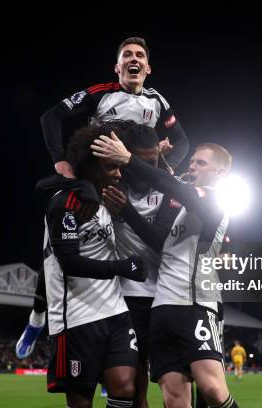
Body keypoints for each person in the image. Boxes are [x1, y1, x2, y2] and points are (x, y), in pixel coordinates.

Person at [92, 131, 238, 408]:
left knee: (213, 390)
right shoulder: (182, 205)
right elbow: (159, 241)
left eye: (201, 163)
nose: (192, 166)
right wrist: (126, 211)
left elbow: (169, 184)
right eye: (192, 161)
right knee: (173, 398)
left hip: (195, 302)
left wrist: (128, 159)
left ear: (220, 173)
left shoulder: (216, 201)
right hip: (162, 306)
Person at [40, 123, 148, 408]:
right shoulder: (64, 202)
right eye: (111, 167)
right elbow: (69, 263)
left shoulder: (104, 199)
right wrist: (123, 268)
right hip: (76, 315)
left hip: (116, 311)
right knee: (81, 401)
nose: (118, 173)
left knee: (126, 387)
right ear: (91, 166)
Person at [102, 122, 181, 408]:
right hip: (116, 296)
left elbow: (160, 241)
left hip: (157, 295)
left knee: (176, 379)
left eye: (152, 160)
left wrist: (126, 210)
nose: (147, 167)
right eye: (138, 161)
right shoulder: (110, 180)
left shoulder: (169, 189)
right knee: (130, 383)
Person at [41, 37, 188, 178]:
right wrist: (59, 159)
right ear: (117, 68)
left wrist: (169, 166)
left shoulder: (157, 100)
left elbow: (182, 140)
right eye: (127, 55)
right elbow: (51, 116)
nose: (134, 58)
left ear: (148, 68)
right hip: (104, 179)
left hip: (140, 181)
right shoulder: (99, 94)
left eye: (140, 55)